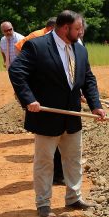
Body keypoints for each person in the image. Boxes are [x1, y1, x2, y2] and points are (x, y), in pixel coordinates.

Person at [8, 10, 106, 217]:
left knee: (73, 160)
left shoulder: (80, 49)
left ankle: (74, 197)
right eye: (78, 29)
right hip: (46, 116)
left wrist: (95, 105)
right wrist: (29, 100)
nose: (81, 33)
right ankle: (43, 204)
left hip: (72, 116)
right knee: (45, 162)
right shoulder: (37, 46)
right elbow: (16, 71)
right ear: (64, 28)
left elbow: (88, 78)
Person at [14, 17, 65, 185]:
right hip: (42, 97)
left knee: (60, 142)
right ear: (52, 29)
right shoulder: (36, 38)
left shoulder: (65, 41)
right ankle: (51, 178)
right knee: (47, 142)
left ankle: (59, 175)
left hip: (60, 98)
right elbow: (18, 60)